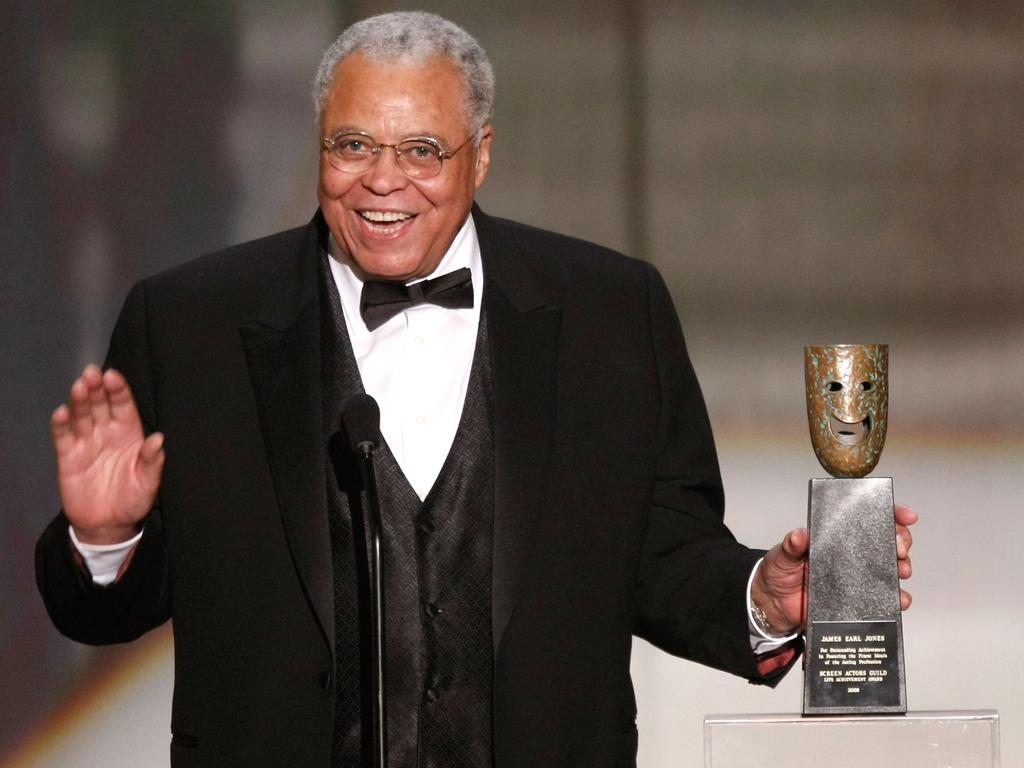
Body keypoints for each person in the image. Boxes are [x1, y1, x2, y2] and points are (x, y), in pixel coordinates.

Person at [36, 11, 916, 768]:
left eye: (422, 149)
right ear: (319, 145)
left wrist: (763, 596)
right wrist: (105, 538)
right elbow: (108, 610)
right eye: (352, 145)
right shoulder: (190, 324)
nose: (384, 180)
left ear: (481, 155)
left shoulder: (613, 312)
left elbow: (664, 553)